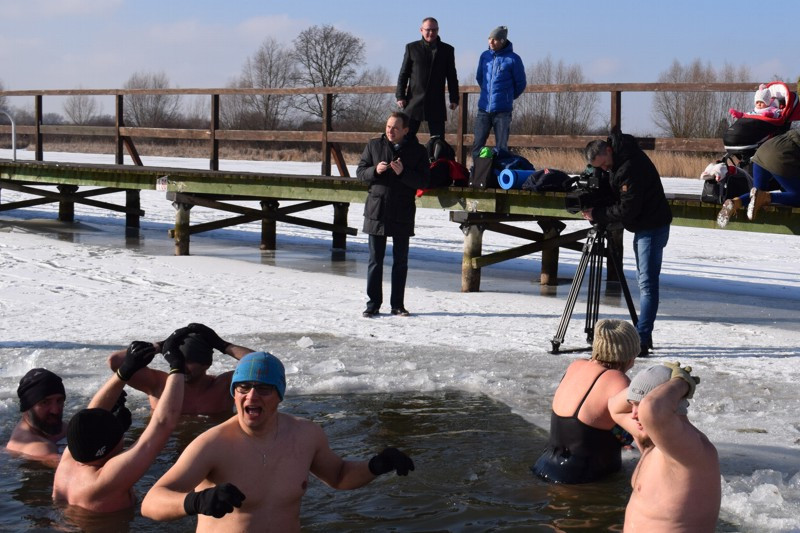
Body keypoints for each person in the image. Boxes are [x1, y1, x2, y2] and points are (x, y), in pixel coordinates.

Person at [141, 351, 414, 531]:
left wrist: (376, 465)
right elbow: (151, 502)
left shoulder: (305, 435)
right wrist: (196, 501)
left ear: (280, 395)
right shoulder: (213, 444)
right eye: (243, 388)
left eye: (263, 388)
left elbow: (339, 476)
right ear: (233, 394)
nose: (251, 397)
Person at [52, 338, 185, 513]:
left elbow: (90, 414)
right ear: (108, 447)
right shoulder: (104, 480)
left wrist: (125, 371)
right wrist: (177, 367)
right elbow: (163, 423)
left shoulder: (70, 460)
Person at [583, 130, 673, 357]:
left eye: (604, 165)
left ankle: (642, 339)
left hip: (651, 226)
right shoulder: (619, 162)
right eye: (599, 168)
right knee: (643, 280)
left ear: (609, 151)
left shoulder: (630, 167)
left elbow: (628, 208)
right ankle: (644, 335)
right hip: (644, 226)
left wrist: (598, 213)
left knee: (647, 284)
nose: (604, 170)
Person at [609, 363, 720, 532]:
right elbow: (614, 407)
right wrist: (646, 383)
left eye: (639, 404)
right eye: (632, 404)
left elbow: (652, 409)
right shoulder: (650, 439)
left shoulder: (692, 450)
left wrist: (682, 382)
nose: (633, 414)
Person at [531, 319, 639, 484]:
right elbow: (637, 432)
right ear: (628, 354)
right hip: (581, 480)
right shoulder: (617, 380)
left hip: (544, 466)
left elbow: (595, 417)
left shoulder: (576, 366)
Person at [356, 112, 430, 318]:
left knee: (400, 261)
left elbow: (424, 181)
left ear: (405, 130)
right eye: (388, 126)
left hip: (402, 210)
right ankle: (373, 305)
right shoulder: (373, 145)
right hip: (377, 209)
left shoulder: (417, 151)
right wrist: (374, 170)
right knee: (375, 261)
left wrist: (403, 173)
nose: (390, 131)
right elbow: (360, 173)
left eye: (395, 128)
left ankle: (397, 305)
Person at [107, 322, 252, 415]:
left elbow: (263, 365)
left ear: (206, 364)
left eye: (188, 361)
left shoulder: (224, 386)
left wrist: (223, 345)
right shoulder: (159, 385)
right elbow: (115, 362)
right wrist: (160, 346)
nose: (180, 365)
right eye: (177, 358)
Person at [717, 129, 800, 226]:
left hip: (761, 154)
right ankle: (767, 197)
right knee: (797, 197)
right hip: (780, 156)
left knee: (756, 194)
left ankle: (735, 203)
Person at [395, 16, 459, 139]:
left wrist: (454, 98)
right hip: (413, 101)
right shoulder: (411, 48)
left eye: (434, 30)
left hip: (436, 102)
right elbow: (403, 74)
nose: (431, 33)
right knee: (406, 138)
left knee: (438, 141)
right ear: (421, 30)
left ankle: (435, 159)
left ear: (438, 30)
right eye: (428, 30)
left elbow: (452, 76)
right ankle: (403, 159)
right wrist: (400, 96)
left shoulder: (447, 50)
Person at [471, 25, 526, 161]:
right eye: (489, 38)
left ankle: (499, 175)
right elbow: (480, 77)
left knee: (501, 147)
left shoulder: (514, 59)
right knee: (477, 144)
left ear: (502, 41)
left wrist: (508, 97)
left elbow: (520, 83)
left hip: (503, 111)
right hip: (483, 109)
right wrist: (486, 93)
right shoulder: (484, 57)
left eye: (494, 39)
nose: (491, 42)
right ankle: (476, 173)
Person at [5, 368, 66, 466]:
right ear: (27, 406)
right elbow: (75, 471)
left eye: (59, 401)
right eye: (45, 402)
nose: (55, 410)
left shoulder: (47, 426)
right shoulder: (37, 447)